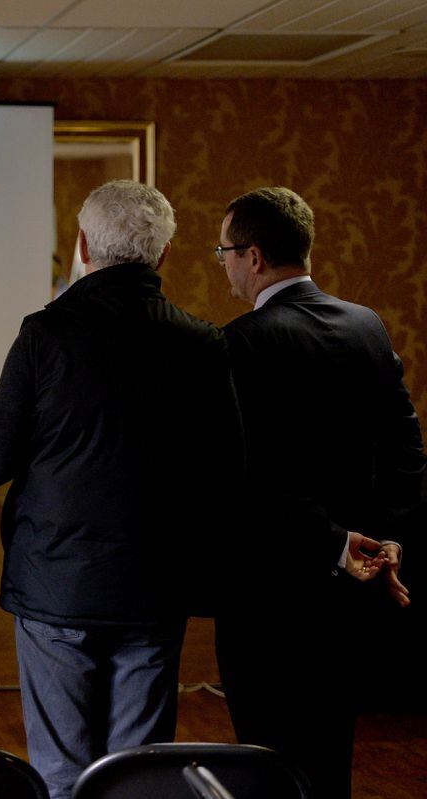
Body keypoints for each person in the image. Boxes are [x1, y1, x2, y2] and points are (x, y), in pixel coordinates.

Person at [0, 180, 245, 799]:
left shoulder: (44, 334)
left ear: (83, 245)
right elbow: (228, 473)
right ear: (165, 253)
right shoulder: (203, 342)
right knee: (136, 775)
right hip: (154, 588)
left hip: (55, 587)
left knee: (62, 772)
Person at [213, 186, 425, 799]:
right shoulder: (368, 326)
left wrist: (335, 544)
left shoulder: (243, 343)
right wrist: (384, 539)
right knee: (332, 757)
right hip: (355, 594)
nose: (222, 263)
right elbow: (408, 451)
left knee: (268, 764)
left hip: (268, 596)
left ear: (253, 257)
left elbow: (252, 476)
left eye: (224, 251)